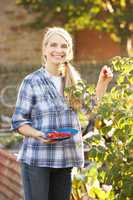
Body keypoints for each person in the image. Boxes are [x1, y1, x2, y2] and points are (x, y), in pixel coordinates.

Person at [11, 27, 113, 200]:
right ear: (44, 49)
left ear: (69, 51)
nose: (58, 50)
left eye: (64, 46)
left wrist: (102, 82)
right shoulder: (32, 81)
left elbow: (91, 109)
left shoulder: (73, 82)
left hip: (64, 157)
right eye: (53, 45)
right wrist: (38, 134)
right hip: (37, 157)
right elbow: (18, 122)